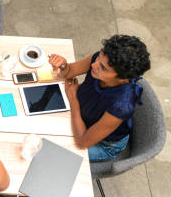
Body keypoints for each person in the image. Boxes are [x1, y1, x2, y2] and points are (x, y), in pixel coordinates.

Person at [48, 34, 151, 162]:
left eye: (103, 68)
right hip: (82, 116)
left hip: (102, 144)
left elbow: (82, 142)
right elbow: (68, 72)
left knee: (53, 153)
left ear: (122, 79)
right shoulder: (99, 60)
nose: (94, 65)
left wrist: (73, 100)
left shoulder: (121, 106)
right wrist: (63, 66)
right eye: (100, 56)